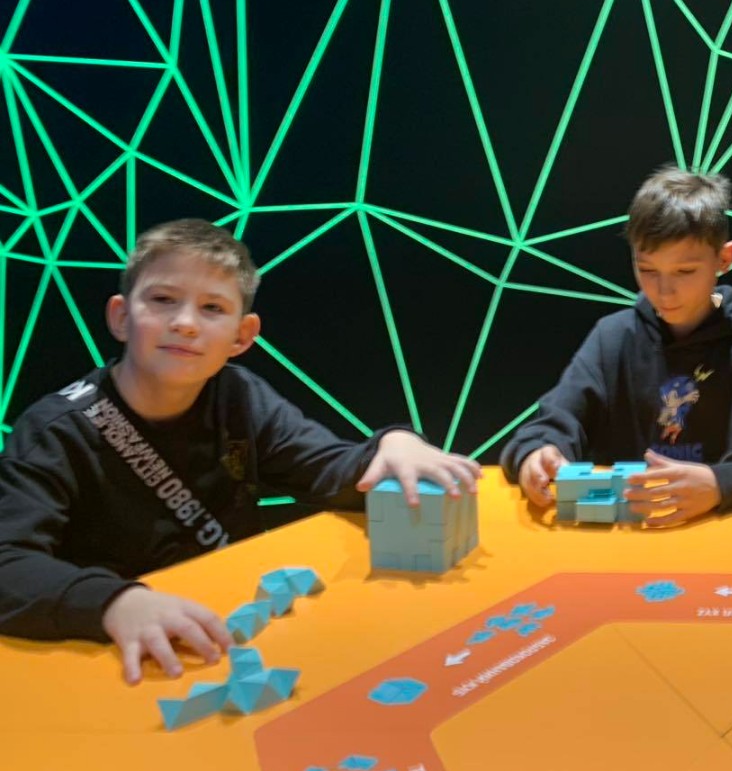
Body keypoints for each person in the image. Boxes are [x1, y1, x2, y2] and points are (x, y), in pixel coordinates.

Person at [0, 219, 479, 681]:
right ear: (121, 317)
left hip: (232, 636)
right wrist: (115, 603)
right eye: (163, 300)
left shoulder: (239, 395)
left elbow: (326, 468)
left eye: (212, 308)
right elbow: (9, 561)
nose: (185, 323)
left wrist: (394, 443)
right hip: (118, 656)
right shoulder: (55, 429)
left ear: (242, 335)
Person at [500, 165, 732, 525]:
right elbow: (546, 426)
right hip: (631, 535)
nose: (664, 292)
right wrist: (535, 455)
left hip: (721, 536)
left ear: (724, 258)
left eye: (685, 272)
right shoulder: (613, 338)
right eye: (647, 270)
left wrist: (722, 482)